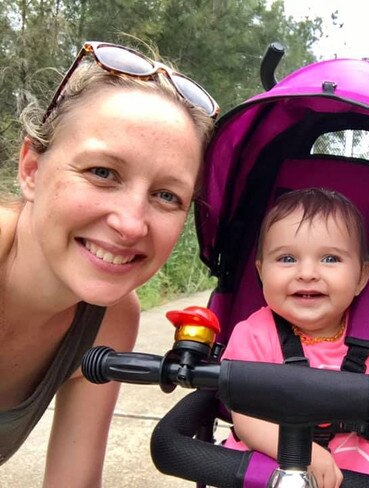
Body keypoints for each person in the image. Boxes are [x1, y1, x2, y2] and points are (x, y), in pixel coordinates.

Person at [0, 41, 218, 485]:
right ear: (31, 170)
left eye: (166, 195)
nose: (131, 224)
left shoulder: (110, 319)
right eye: (103, 172)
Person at [220, 188, 369, 488]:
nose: (307, 273)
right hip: (262, 474)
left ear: (361, 277)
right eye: (287, 258)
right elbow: (245, 418)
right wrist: (305, 454)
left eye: (330, 258)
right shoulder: (253, 333)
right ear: (261, 272)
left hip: (352, 479)